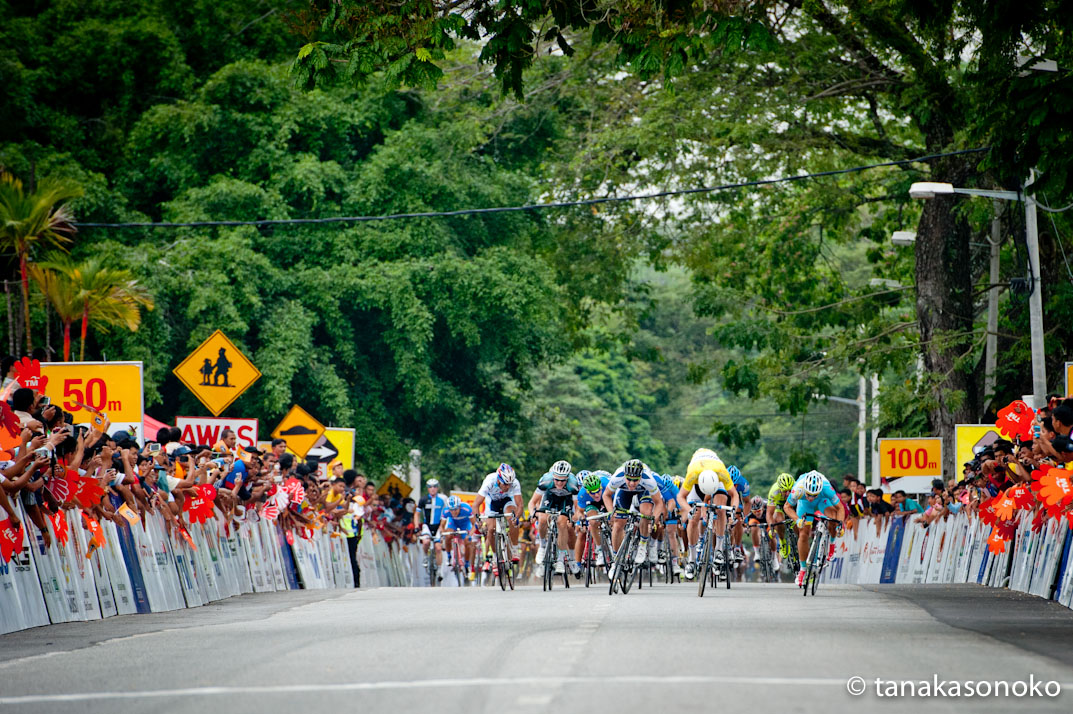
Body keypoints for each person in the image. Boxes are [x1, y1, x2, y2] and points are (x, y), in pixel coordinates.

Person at [677, 448, 736, 580]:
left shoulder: (722, 473)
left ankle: (719, 550)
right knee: (693, 518)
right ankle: (692, 560)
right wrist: (689, 510)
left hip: (715, 479)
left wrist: (732, 510)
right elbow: (680, 497)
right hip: (698, 482)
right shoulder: (692, 474)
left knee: (721, 508)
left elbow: (734, 495)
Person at [784, 470, 845, 588]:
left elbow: (840, 508)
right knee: (803, 534)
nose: (811, 497)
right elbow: (787, 507)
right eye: (809, 494)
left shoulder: (826, 488)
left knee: (833, 519)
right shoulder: (798, 489)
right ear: (804, 490)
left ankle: (832, 544)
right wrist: (797, 520)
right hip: (804, 504)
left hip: (823, 500)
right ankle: (802, 570)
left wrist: (840, 525)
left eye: (814, 495)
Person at [603, 458, 664, 568]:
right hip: (624, 492)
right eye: (629, 479)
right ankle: (616, 560)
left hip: (643, 491)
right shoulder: (618, 476)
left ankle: (642, 545)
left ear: (640, 476)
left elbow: (659, 502)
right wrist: (610, 512)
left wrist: (653, 519)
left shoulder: (648, 480)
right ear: (624, 475)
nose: (631, 483)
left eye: (635, 480)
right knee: (618, 523)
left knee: (646, 513)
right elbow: (606, 495)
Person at [528, 460, 581, 576]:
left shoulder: (573, 484)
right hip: (550, 497)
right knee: (542, 518)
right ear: (553, 477)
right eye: (557, 480)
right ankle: (542, 546)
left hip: (565, 500)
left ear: (567, 478)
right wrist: (532, 513)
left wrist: (576, 516)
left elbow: (577, 507)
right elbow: (532, 502)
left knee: (562, 523)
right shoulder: (546, 480)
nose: (560, 483)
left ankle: (561, 559)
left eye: (563, 480)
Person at [472, 463, 524, 567]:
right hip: (492, 502)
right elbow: (476, 504)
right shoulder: (489, 481)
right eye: (505, 484)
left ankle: (514, 549)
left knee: (512, 518)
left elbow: (520, 505)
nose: (508, 486)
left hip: (507, 501)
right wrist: (478, 521)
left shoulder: (515, 483)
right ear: (499, 480)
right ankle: (495, 557)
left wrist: (516, 518)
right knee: (491, 530)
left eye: (510, 484)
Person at [574, 470, 610, 569]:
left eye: (598, 491)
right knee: (593, 521)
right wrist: (581, 520)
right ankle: (600, 550)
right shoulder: (582, 493)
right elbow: (579, 511)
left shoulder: (608, 484)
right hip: (593, 504)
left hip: (608, 497)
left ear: (601, 487)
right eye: (592, 493)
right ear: (587, 491)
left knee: (615, 520)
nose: (596, 495)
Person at [651, 472, 682, 576]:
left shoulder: (674, 490)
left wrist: (669, 513)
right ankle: (658, 549)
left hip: (670, 506)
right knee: (657, 526)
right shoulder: (654, 487)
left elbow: (678, 506)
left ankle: (674, 563)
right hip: (657, 505)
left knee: (671, 532)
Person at [417, 478, 448, 572]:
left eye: (434, 486)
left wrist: (444, 527)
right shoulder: (423, 499)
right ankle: (426, 556)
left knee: (438, 548)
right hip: (427, 525)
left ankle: (439, 569)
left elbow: (447, 513)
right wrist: (416, 526)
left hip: (439, 525)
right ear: (428, 489)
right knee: (426, 542)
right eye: (430, 487)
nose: (432, 488)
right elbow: (417, 513)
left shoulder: (443, 498)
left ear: (437, 488)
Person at [765, 472, 796, 560]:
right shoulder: (774, 491)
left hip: (792, 505)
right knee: (778, 519)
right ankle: (783, 542)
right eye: (785, 491)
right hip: (779, 505)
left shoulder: (797, 488)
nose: (787, 493)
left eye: (790, 490)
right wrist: (771, 528)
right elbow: (769, 513)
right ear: (780, 489)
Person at [727, 465, 750, 564]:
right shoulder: (721, 481)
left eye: (735, 484)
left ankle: (737, 548)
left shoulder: (743, 483)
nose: (734, 486)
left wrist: (744, 517)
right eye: (732, 484)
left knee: (739, 518)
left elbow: (747, 502)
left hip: (736, 500)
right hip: (724, 497)